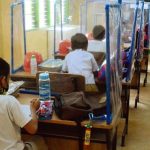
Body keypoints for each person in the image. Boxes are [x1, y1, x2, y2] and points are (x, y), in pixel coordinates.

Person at [0, 58, 48, 150]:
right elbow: (32, 129)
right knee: (39, 139)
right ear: (3, 80)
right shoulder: (9, 101)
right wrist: (33, 109)